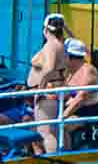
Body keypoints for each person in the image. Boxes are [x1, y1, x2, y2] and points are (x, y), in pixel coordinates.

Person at [25, 13, 69, 154]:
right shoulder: (61, 45)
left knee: (45, 131)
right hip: (56, 88)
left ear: (45, 30)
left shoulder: (51, 45)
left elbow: (49, 68)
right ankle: (60, 159)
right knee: (53, 130)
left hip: (49, 91)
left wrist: (40, 88)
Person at [59, 40, 98, 150]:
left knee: (62, 125)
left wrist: (63, 116)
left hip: (87, 114)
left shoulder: (88, 71)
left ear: (70, 57)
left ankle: (66, 158)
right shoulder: (70, 72)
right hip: (74, 111)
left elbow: (81, 97)